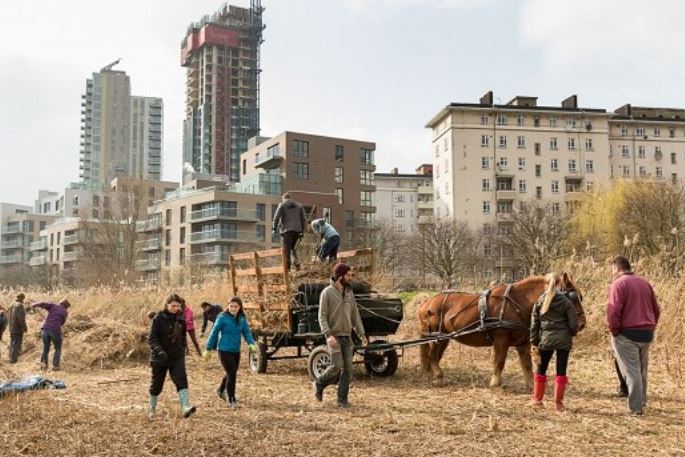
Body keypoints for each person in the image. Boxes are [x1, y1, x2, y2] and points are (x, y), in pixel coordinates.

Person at [606, 255, 660, 416]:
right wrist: (651, 325)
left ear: (616, 267)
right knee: (642, 369)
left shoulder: (618, 284)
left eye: (612, 269)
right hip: (646, 332)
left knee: (632, 371)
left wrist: (614, 330)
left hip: (627, 333)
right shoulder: (645, 283)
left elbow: (613, 311)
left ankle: (636, 407)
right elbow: (656, 309)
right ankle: (641, 399)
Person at [314, 263, 369, 408]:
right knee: (337, 365)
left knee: (348, 370)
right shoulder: (327, 292)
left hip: (347, 336)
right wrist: (328, 334)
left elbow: (355, 314)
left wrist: (361, 333)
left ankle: (342, 400)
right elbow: (322, 316)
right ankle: (319, 383)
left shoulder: (349, 293)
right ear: (340, 276)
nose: (351, 278)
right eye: (348, 275)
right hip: (334, 336)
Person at [530, 273, 579, 412]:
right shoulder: (566, 301)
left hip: (545, 340)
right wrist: (572, 334)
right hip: (563, 340)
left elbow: (534, 325)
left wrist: (534, 342)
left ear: (545, 285)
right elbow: (573, 323)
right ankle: (558, 403)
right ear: (559, 285)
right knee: (561, 371)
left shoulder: (540, 301)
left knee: (541, 369)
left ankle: (537, 401)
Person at [148, 293, 196, 419]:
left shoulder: (181, 319)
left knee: (181, 379)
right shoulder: (158, 319)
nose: (175, 308)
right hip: (160, 357)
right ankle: (152, 410)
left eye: (178, 306)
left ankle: (185, 407)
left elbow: (183, 336)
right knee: (156, 385)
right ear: (167, 305)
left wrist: (185, 347)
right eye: (173, 306)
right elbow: (152, 339)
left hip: (176, 356)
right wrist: (159, 351)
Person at [203, 296, 257, 409]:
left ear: (240, 307)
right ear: (228, 306)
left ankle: (220, 390)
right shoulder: (222, 317)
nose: (233, 308)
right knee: (232, 373)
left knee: (230, 372)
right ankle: (231, 399)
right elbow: (214, 332)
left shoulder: (242, 318)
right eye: (231, 306)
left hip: (235, 350)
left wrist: (251, 343)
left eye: (235, 306)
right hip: (223, 349)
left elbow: (246, 332)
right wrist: (208, 348)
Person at [32, 299, 70, 371]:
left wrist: (34, 305)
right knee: (57, 349)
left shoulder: (53, 306)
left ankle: (43, 366)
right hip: (55, 330)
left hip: (45, 329)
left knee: (45, 348)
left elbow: (42, 303)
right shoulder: (65, 312)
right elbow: (62, 323)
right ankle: (55, 366)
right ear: (66, 307)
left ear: (60, 303)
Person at [272, 192, 306, 271]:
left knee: (286, 251)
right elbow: (304, 220)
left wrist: (274, 228)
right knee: (293, 249)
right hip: (298, 232)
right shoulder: (299, 206)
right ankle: (297, 265)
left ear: (283, 198)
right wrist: (302, 232)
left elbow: (276, 217)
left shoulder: (282, 205)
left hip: (286, 232)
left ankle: (288, 270)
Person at [7, 293, 29, 363]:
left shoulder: (11, 305)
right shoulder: (19, 305)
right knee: (16, 344)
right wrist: (25, 328)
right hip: (17, 328)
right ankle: (13, 360)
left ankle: (10, 357)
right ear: (22, 298)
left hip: (11, 327)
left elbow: (8, 317)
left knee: (12, 343)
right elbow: (21, 319)